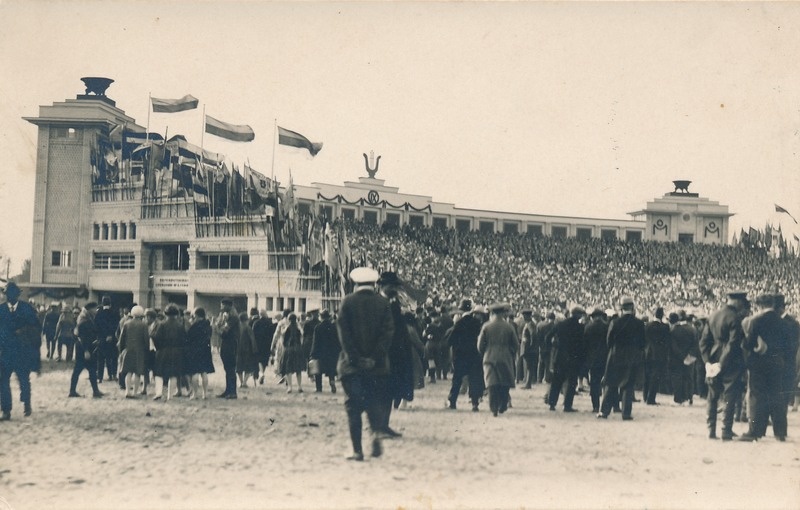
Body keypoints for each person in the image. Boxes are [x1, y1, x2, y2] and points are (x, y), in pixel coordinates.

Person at [336, 267, 394, 461]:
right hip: (377, 367)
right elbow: (387, 335)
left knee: (353, 407)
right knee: (374, 402)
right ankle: (376, 434)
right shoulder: (383, 304)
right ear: (374, 284)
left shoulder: (347, 303)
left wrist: (356, 359)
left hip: (352, 367)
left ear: (355, 283)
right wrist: (374, 358)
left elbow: (345, 337)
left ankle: (357, 450)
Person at [699, 291, 749, 440]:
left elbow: (703, 342)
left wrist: (707, 362)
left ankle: (711, 430)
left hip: (713, 356)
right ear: (738, 302)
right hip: (730, 360)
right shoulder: (736, 318)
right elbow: (733, 344)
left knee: (712, 396)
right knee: (730, 395)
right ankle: (726, 430)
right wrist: (722, 363)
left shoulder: (713, 315)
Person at [739, 294, 788, 441]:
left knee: (757, 397)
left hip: (759, 364)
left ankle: (756, 431)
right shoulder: (783, 322)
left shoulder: (756, 321)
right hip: (777, 363)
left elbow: (749, 343)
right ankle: (780, 432)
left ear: (759, 306)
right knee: (776, 395)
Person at [377, 271, 414, 434]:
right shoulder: (377, 303)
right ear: (382, 286)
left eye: (395, 286)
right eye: (391, 286)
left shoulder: (394, 303)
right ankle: (378, 425)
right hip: (381, 352)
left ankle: (383, 424)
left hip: (395, 354)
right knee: (379, 390)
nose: (394, 289)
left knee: (389, 390)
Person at [598, 296, 645, 421]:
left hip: (615, 356)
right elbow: (642, 343)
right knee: (628, 386)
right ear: (632, 307)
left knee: (611, 383)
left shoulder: (615, 322)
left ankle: (604, 412)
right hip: (632, 357)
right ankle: (626, 413)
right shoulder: (639, 324)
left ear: (621, 308)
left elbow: (609, 341)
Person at [0, 282, 41, 419]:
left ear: (17, 295)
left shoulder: (26, 309)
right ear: (5, 295)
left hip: (22, 353)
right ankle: (6, 410)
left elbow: (36, 328)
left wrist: (24, 331)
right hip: (5, 353)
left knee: (24, 380)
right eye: (7, 294)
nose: (10, 297)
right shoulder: (1, 310)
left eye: (13, 294)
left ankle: (26, 404)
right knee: (3, 381)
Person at [477, 302, 518, 417]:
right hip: (505, 357)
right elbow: (516, 345)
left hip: (489, 356)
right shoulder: (509, 326)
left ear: (492, 313)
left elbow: (480, 345)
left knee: (491, 383)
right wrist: (511, 353)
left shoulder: (486, 326)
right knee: (504, 382)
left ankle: (493, 407)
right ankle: (503, 405)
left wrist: (484, 352)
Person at [446, 299, 485, 412]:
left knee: (457, 379)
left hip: (460, 356)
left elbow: (450, 340)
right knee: (474, 379)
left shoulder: (459, 323)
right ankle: (474, 403)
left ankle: (453, 401)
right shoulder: (477, 323)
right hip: (474, 355)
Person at [547, 306, 585, 412]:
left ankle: (552, 403)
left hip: (560, 356)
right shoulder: (580, 327)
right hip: (574, 357)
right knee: (572, 382)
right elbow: (582, 344)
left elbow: (548, 337)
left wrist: (553, 347)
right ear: (578, 315)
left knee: (557, 381)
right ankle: (567, 406)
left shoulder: (561, 324)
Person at [151, 304, 186, 401]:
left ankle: (158, 393)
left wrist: (158, 348)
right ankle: (170, 395)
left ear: (165, 313)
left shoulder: (161, 324)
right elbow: (184, 340)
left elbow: (156, 337)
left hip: (163, 351)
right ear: (176, 314)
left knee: (159, 373)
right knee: (173, 374)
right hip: (176, 352)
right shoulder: (180, 325)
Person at [70, 302, 103, 398]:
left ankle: (95, 391)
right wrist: (86, 351)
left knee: (91, 370)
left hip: (87, 348)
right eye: (94, 309)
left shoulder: (86, 319)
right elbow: (82, 337)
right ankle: (73, 391)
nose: (96, 311)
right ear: (90, 309)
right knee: (79, 370)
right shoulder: (84, 321)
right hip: (84, 349)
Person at [117, 305, 150, 398]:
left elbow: (121, 339)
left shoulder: (127, 323)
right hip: (139, 351)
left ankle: (127, 391)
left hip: (128, 350)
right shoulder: (143, 325)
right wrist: (146, 350)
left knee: (128, 371)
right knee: (137, 372)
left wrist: (121, 350)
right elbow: (146, 339)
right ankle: (135, 392)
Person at [668, 311, 698, 405]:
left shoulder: (674, 330)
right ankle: (689, 397)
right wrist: (689, 355)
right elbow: (695, 344)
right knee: (689, 377)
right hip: (690, 357)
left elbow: (673, 346)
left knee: (677, 377)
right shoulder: (692, 329)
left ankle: (679, 398)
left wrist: (681, 356)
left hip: (677, 358)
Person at [184, 307, 214, 399]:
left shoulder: (194, 327)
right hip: (206, 350)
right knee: (204, 373)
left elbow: (188, 339)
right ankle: (205, 394)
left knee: (195, 373)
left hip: (195, 351)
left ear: (196, 315)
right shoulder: (208, 325)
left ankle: (195, 394)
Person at [583, 307, 608, 413]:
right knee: (607, 381)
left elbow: (585, 344)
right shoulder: (606, 326)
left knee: (594, 382)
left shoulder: (588, 327)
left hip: (592, 358)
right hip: (605, 357)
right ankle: (607, 405)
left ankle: (595, 406)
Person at [643, 307, 670, 406]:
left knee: (647, 375)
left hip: (648, 352)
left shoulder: (647, 325)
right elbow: (667, 342)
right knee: (656, 376)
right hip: (659, 354)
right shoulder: (665, 327)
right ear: (662, 315)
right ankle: (651, 398)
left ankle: (645, 396)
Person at [310, 309, 341, 393]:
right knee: (331, 370)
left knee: (318, 371)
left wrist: (313, 353)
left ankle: (319, 388)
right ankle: (332, 382)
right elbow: (338, 340)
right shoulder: (334, 327)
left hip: (320, 352)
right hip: (332, 352)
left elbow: (315, 342)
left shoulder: (318, 327)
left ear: (321, 317)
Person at [217, 298, 240, 399]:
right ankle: (228, 390)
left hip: (230, 344)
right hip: (227, 343)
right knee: (228, 368)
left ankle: (233, 392)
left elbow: (224, 332)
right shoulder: (228, 316)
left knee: (230, 368)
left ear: (227, 306)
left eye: (222, 305)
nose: (221, 307)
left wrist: (217, 328)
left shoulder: (233, 317)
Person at [95, 296, 119, 384]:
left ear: (102, 303)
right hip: (113, 339)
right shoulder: (115, 313)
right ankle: (113, 375)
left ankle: (100, 377)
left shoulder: (98, 313)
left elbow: (96, 327)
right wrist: (111, 335)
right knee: (113, 357)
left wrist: (102, 336)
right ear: (110, 303)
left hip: (101, 338)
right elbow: (117, 326)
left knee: (101, 358)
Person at [279, 313, 305, 393]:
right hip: (298, 349)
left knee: (288, 369)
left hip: (288, 349)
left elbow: (283, 341)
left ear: (289, 320)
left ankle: (290, 387)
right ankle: (299, 386)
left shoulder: (286, 329)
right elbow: (302, 338)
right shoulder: (298, 329)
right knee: (298, 369)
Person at [237, 311, 258, 388]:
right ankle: (244, 383)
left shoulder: (237, 327)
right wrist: (255, 349)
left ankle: (241, 382)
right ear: (246, 320)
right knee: (248, 367)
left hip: (238, 350)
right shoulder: (248, 328)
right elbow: (252, 339)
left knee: (239, 367)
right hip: (247, 350)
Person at [252, 310, 273, 385]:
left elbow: (253, 334)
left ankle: (261, 373)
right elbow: (272, 334)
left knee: (259, 359)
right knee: (264, 360)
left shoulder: (256, 323)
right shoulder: (269, 323)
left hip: (258, 344)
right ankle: (262, 372)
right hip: (267, 344)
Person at [519, 309, 537, 389]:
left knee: (529, 366)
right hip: (528, 347)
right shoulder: (530, 323)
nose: (523, 317)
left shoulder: (530, 324)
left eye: (524, 315)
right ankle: (527, 382)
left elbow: (533, 334)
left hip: (528, 348)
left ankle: (528, 383)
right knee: (528, 366)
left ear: (527, 316)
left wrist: (531, 345)